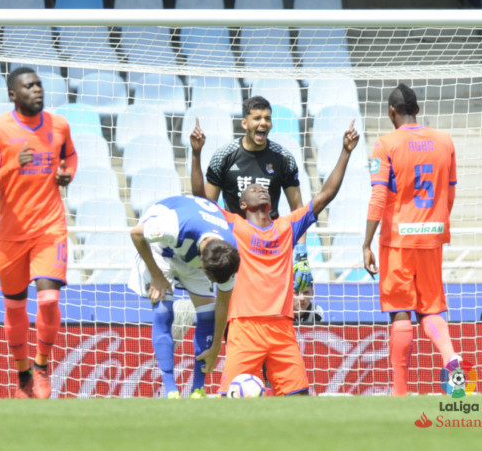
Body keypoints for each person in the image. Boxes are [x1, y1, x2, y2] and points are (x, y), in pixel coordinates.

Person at [191, 117, 360, 396]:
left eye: (264, 186)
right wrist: (196, 153)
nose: (260, 186)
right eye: (252, 187)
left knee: (299, 401)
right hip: (244, 326)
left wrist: (345, 152)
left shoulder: (287, 227)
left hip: (282, 327)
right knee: (228, 404)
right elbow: (201, 200)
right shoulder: (234, 226)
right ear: (242, 203)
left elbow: (326, 194)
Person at [0, 67, 78, 399]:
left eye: (39, 85)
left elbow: (70, 157)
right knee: (15, 308)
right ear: (13, 94)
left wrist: (67, 174)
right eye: (28, 86)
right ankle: (22, 371)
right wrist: (12, 166)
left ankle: (41, 366)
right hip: (11, 234)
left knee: (48, 299)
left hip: (50, 228)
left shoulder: (59, 124)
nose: (37, 90)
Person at [362, 83, 462, 397]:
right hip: (432, 237)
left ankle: (400, 391)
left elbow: (378, 197)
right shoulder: (444, 141)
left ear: (391, 113)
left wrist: (366, 243)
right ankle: (449, 355)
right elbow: (451, 191)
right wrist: (435, 223)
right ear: (417, 110)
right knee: (431, 308)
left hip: (398, 241)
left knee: (401, 311)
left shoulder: (385, 144)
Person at [128, 195, 240, 398]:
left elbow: (223, 305)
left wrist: (216, 346)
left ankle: (198, 389)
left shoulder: (228, 255)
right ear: (203, 265)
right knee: (163, 310)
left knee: (208, 314)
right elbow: (136, 234)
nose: (214, 284)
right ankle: (171, 389)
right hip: (160, 248)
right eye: (211, 278)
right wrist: (156, 275)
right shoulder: (173, 225)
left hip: (193, 249)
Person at [204, 96, 309, 264]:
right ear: (245, 123)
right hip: (233, 244)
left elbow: (298, 209)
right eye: (257, 118)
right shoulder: (223, 157)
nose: (263, 123)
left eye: (267, 118)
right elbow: (208, 207)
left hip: (270, 244)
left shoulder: (284, 158)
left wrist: (301, 251)